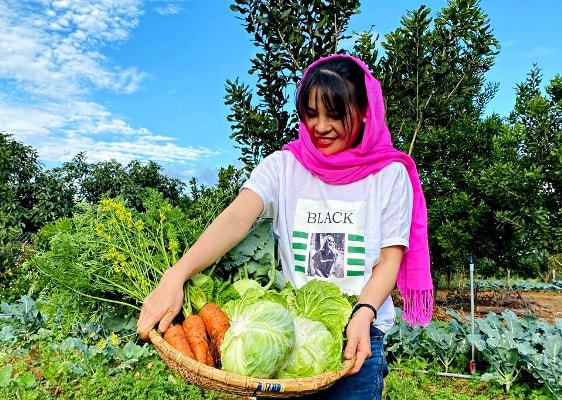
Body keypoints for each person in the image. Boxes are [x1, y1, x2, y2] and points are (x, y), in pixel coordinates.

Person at [137, 54, 433, 400]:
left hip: (360, 333)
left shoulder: (388, 174)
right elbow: (237, 217)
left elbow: (388, 261)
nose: (321, 126)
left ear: (365, 111)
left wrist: (363, 314)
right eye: (311, 114)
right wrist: (177, 274)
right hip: (290, 333)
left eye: (335, 114)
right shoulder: (284, 166)